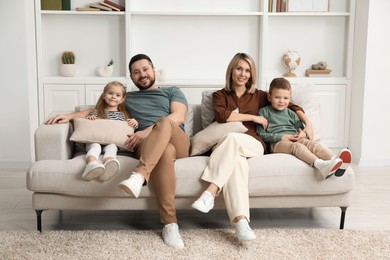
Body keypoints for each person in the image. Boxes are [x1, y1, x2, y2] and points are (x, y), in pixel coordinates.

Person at [45, 54, 190, 249]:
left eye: (145, 69)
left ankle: (139, 175)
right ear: (131, 77)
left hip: (175, 138)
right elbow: (95, 110)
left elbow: (178, 117)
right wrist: (69, 115)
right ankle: (170, 225)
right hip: (147, 146)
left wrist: (148, 130)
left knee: (165, 122)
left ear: (154, 70)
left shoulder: (172, 91)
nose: (142, 75)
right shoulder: (127, 98)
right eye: (136, 72)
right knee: (164, 152)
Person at [191, 53, 313, 242]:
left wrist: (308, 124)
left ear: (252, 74)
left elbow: (290, 104)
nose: (243, 74)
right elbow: (223, 116)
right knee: (236, 162)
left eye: (247, 70)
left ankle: (210, 191)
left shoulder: (260, 95)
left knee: (233, 138)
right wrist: (253, 117)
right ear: (232, 70)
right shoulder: (219, 95)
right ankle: (241, 223)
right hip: (226, 148)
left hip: (253, 143)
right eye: (239, 68)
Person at [255, 77, 352, 179]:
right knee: (297, 147)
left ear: (289, 98)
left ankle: (334, 159)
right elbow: (261, 134)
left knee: (311, 144)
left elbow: (301, 130)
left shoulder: (292, 113)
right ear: (269, 97)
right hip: (277, 144)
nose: (281, 101)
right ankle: (320, 165)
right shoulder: (263, 112)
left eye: (285, 98)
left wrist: (302, 134)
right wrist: (281, 137)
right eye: (277, 97)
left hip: (294, 138)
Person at [81, 81, 138, 182]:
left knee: (112, 147)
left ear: (122, 99)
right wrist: (90, 118)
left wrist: (134, 122)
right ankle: (91, 164)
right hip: (95, 140)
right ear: (104, 95)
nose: (113, 97)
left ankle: (109, 164)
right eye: (110, 93)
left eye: (117, 95)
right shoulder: (96, 111)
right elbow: (88, 125)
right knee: (95, 146)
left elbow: (129, 128)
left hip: (111, 142)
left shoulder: (123, 115)